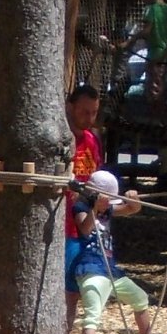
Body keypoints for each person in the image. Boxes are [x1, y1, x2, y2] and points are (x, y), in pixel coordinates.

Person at [71, 171, 167, 334]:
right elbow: (84, 229)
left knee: (140, 298)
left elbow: (130, 210)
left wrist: (133, 200)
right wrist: (94, 207)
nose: (110, 204)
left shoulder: (107, 210)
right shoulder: (81, 207)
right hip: (91, 267)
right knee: (93, 312)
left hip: (110, 269)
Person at [63, 82, 104, 300]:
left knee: (79, 293)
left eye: (94, 112)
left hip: (88, 222)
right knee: (67, 291)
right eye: (84, 112)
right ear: (70, 107)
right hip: (64, 227)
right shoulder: (61, 140)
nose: (89, 118)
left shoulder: (93, 139)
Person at [129, 0, 167, 113]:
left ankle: (154, 118)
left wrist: (132, 39)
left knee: (153, 88)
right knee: (161, 86)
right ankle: (159, 114)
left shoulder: (151, 9)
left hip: (155, 54)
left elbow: (147, 30)